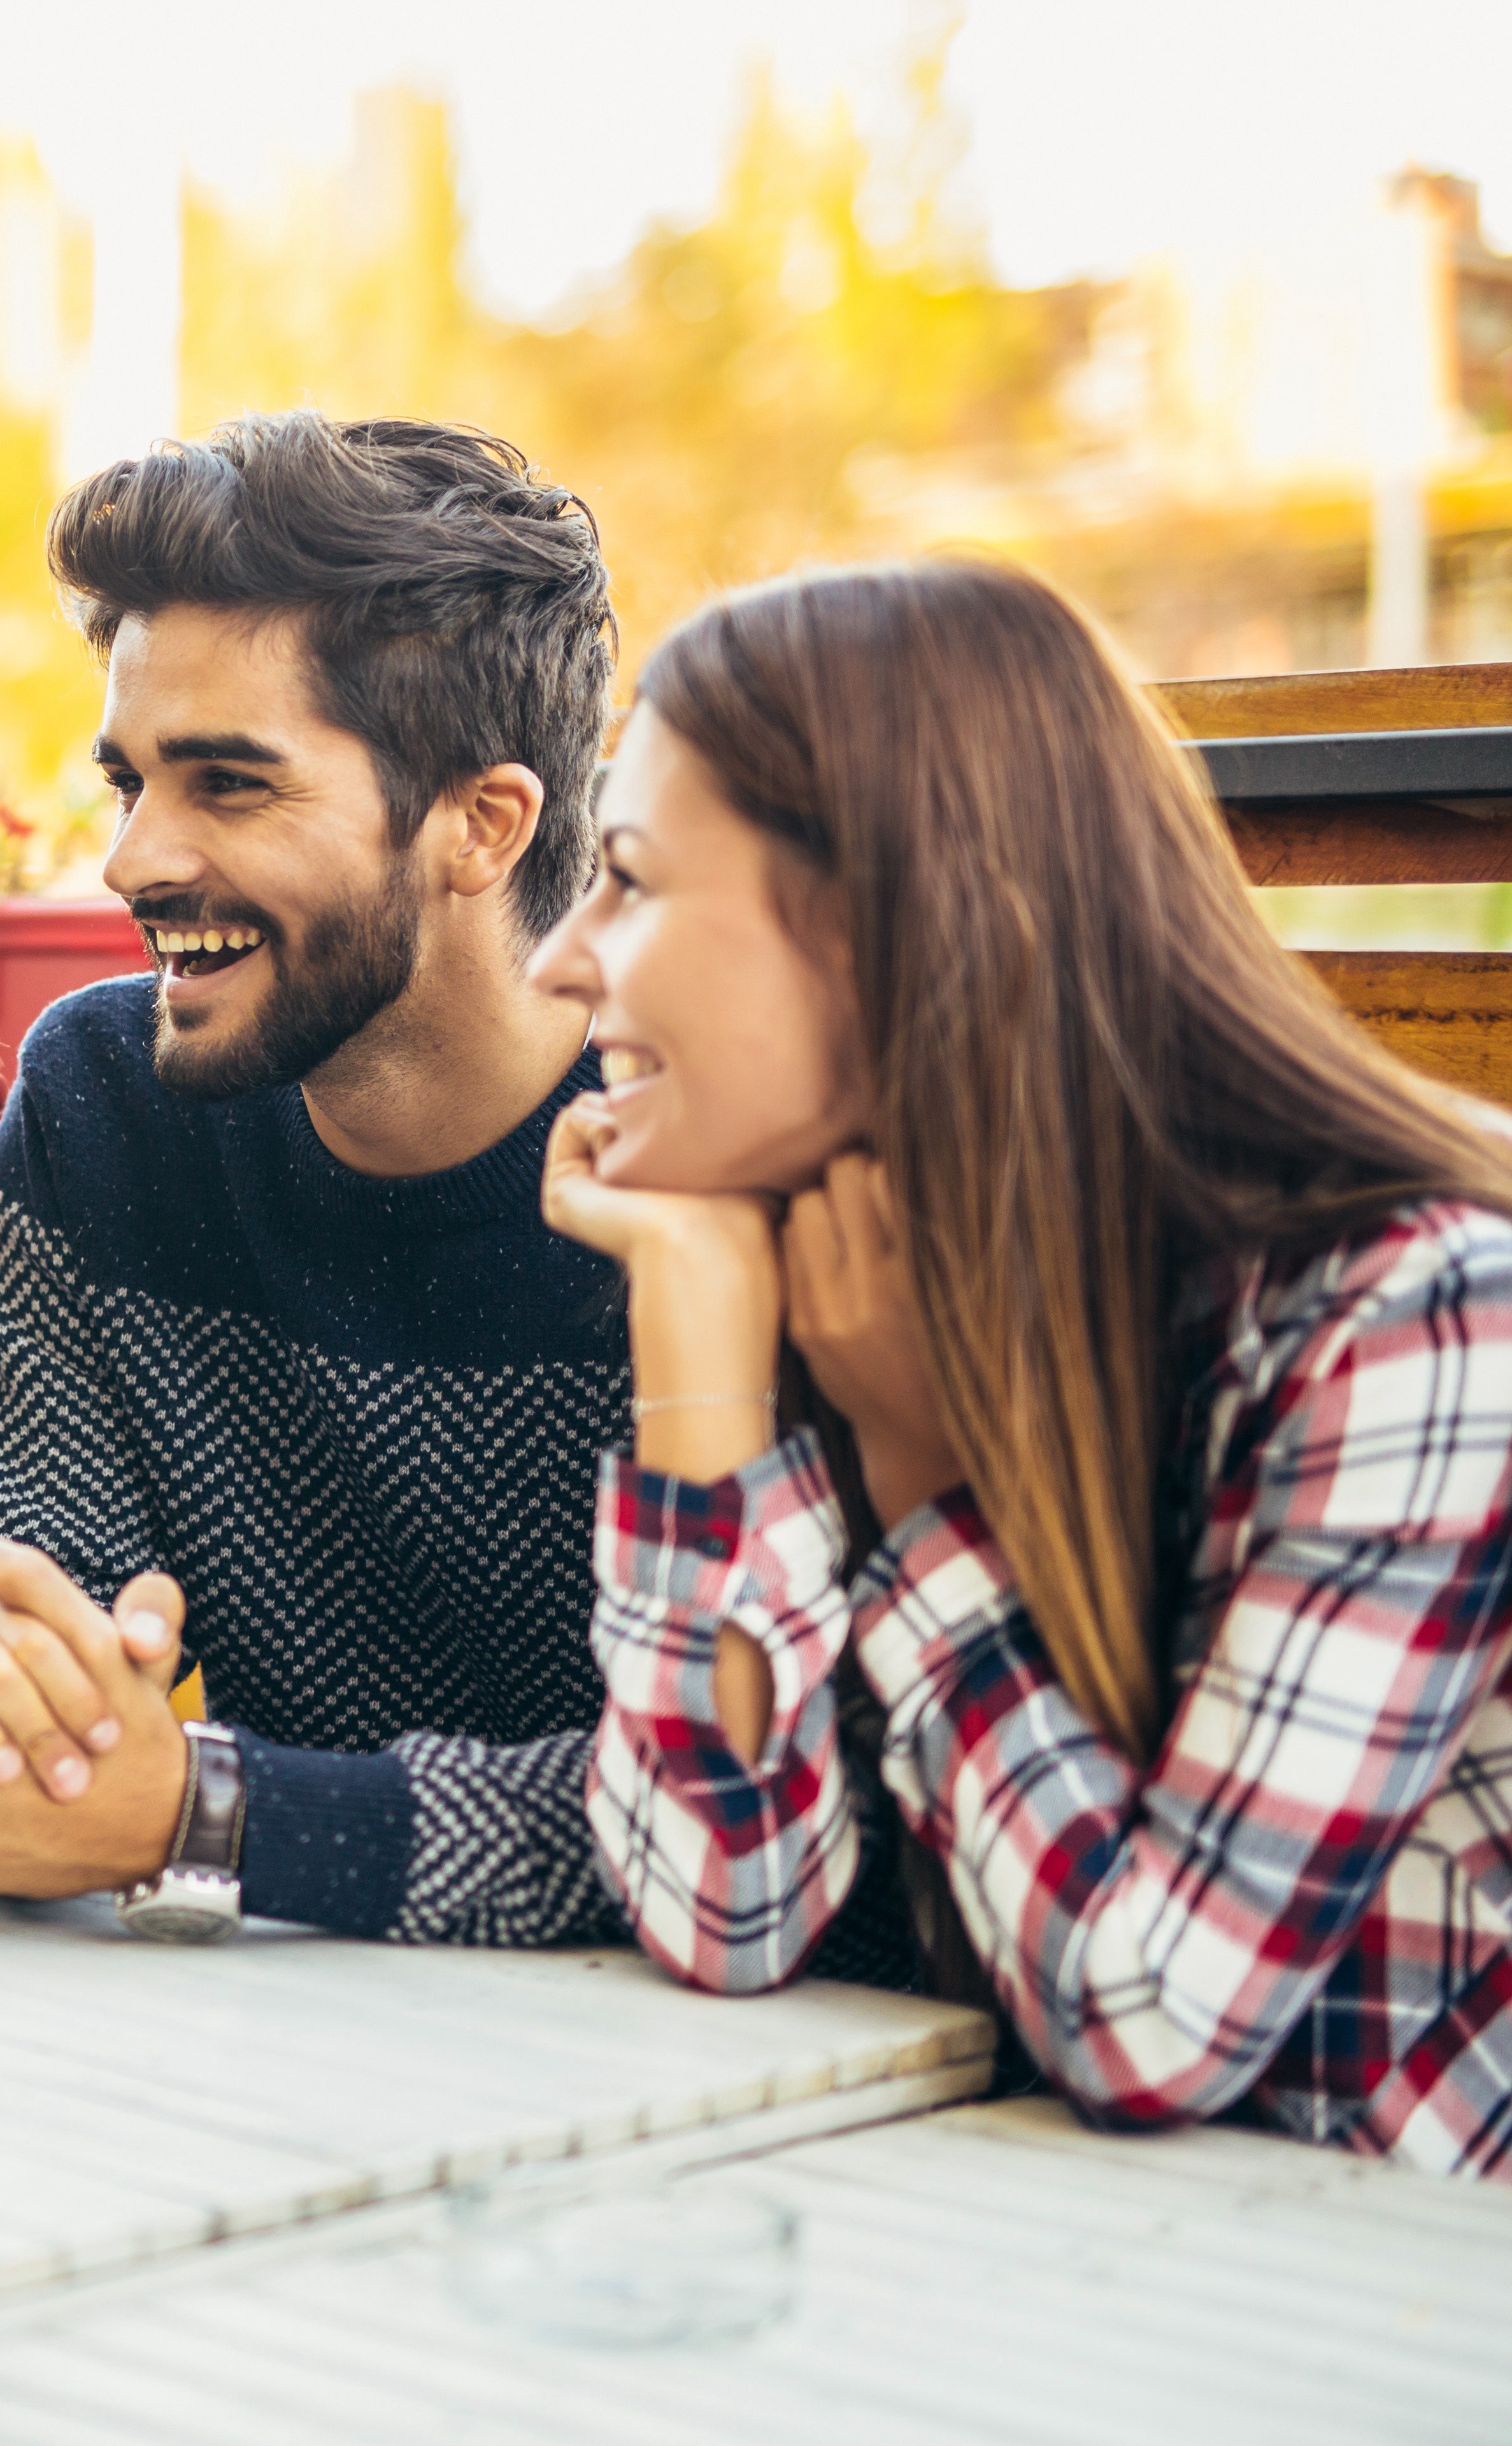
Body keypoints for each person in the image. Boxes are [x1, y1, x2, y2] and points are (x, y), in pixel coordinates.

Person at [0, 414, 862, 1963]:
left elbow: (775, 1817)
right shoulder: (101, 1108)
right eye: (130, 780)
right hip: (284, 2048)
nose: (134, 858)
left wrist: (223, 1820)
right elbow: (36, 1642)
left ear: (481, 826)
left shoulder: (712, 1149)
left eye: (228, 783)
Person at [537, 559, 1512, 2177]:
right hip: (1095, 2263)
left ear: (880, 928)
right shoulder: (831, 1261)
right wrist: (698, 1331)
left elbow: (1148, 2019)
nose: (559, 963)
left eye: (629, 881)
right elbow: (728, 1908)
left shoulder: (1420, 1315)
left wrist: (927, 1485)